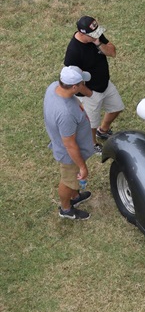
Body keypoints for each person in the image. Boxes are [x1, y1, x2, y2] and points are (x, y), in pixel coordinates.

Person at [64, 15, 125, 154]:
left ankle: (103, 130)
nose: (96, 36)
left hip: (105, 84)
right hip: (89, 92)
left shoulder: (96, 36)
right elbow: (72, 79)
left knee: (117, 107)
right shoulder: (73, 51)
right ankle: (92, 144)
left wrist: (98, 43)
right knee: (90, 123)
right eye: (92, 35)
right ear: (81, 33)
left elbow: (112, 52)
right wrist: (89, 94)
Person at [44, 66, 95, 220]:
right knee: (68, 181)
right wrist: (82, 167)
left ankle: (74, 196)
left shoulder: (53, 87)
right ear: (74, 87)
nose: (84, 85)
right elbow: (70, 145)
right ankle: (66, 209)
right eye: (82, 83)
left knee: (72, 181)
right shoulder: (65, 113)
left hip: (69, 147)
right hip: (69, 156)